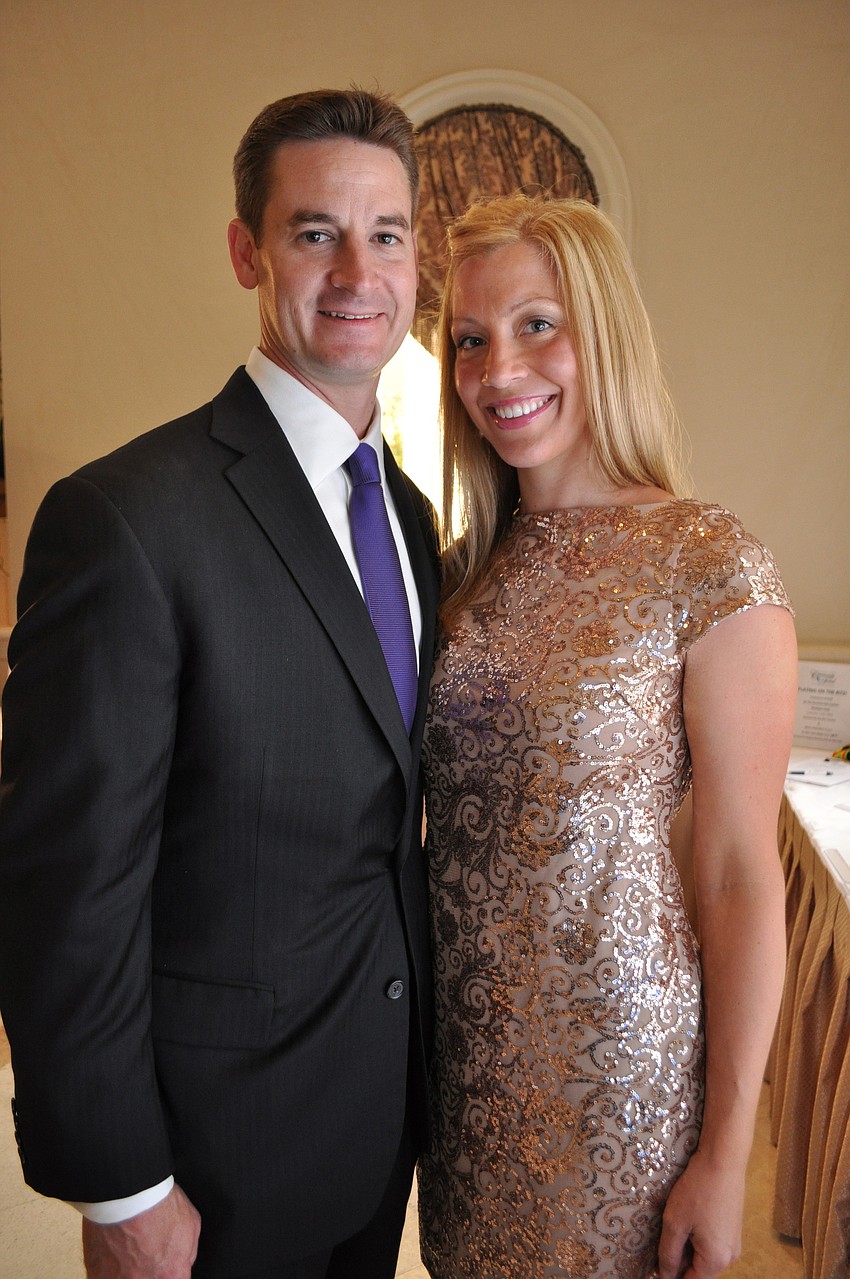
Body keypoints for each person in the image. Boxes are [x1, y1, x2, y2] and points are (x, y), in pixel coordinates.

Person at [0, 88, 440, 1279]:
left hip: (374, 1133)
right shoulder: (126, 518)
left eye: (387, 234)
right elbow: (64, 887)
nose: (358, 270)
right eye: (315, 232)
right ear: (247, 249)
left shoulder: (405, 514)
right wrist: (121, 1184)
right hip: (207, 1159)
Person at [416, 193, 797, 1279]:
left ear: (605, 332)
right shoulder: (457, 572)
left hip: (618, 1072)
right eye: (473, 340)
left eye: (539, 324)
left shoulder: (707, 560)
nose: (500, 372)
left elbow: (735, 873)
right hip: (468, 1077)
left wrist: (726, 1154)